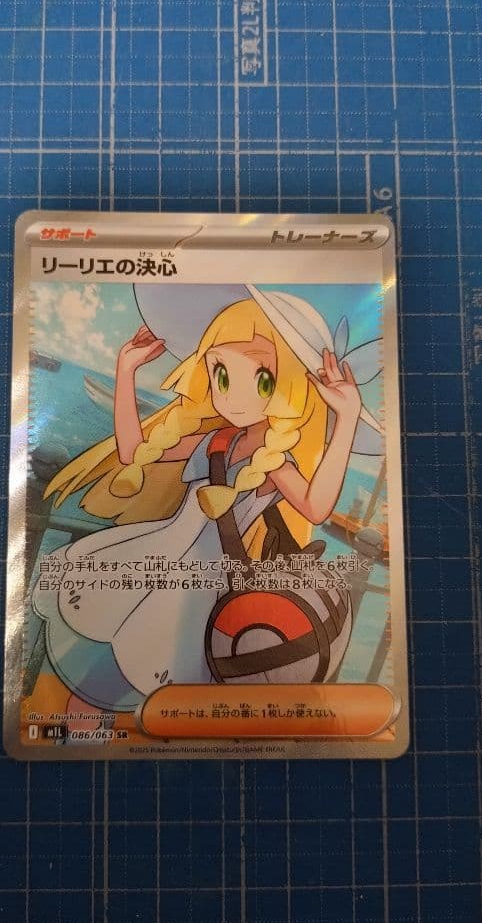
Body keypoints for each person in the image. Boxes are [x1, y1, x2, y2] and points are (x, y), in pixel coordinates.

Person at [32, 284, 383, 713]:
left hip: (200, 593)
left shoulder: (272, 458)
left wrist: (345, 419)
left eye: (263, 380)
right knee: (97, 686)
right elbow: (133, 450)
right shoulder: (218, 439)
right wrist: (126, 372)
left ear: (291, 387)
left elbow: (316, 507)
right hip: (154, 563)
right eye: (221, 375)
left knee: (139, 686)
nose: (232, 395)